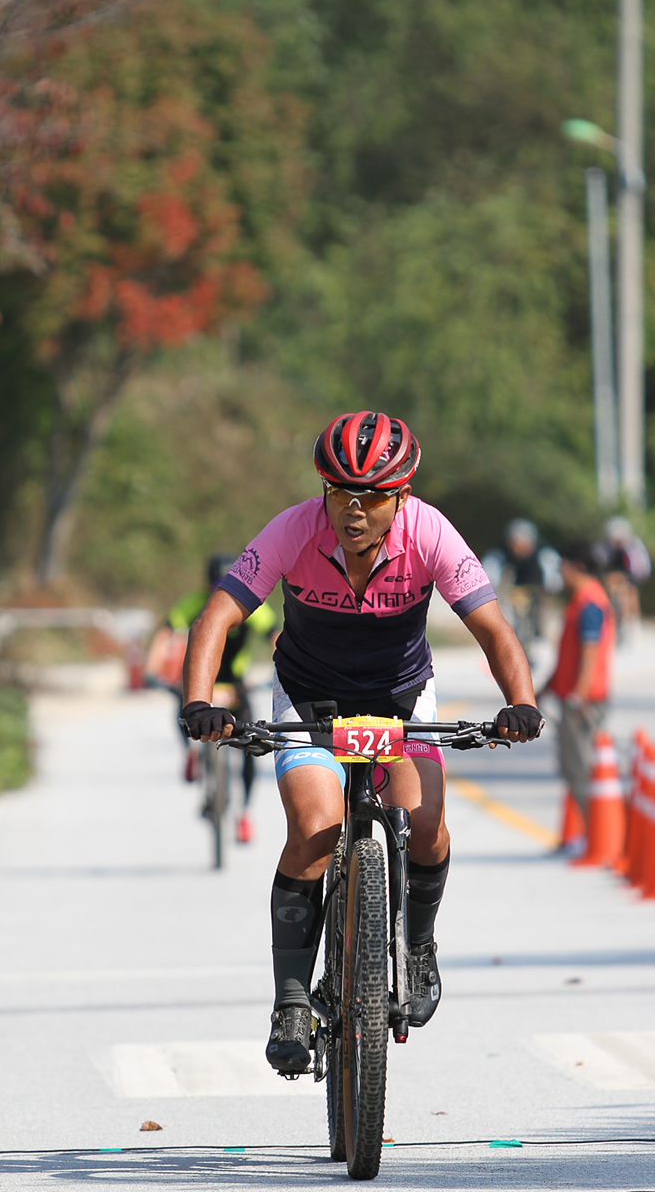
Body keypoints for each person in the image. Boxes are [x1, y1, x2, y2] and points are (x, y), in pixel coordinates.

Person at [178, 411, 543, 1076]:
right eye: (339, 492)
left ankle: (419, 946)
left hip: (399, 698)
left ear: (401, 496)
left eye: (372, 496)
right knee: (315, 829)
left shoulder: (430, 532)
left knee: (425, 824)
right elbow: (217, 616)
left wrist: (521, 703)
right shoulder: (293, 529)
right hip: (308, 697)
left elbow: (494, 629)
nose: (353, 509)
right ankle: (292, 1000)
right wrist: (199, 703)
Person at [146, 553, 277, 841]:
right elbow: (165, 634)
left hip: (235, 684)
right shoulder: (193, 603)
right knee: (183, 708)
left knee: (251, 745)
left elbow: (275, 635)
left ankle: (244, 813)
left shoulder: (250, 603)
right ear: (206, 584)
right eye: (215, 584)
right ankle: (191, 752)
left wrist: (283, 667)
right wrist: (151, 671)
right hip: (203, 683)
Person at [538, 541, 615, 826]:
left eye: (564, 566)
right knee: (572, 767)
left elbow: (590, 653)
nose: (560, 572)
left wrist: (578, 695)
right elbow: (568, 657)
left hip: (583, 702)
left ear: (577, 566)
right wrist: (544, 689)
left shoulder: (590, 603)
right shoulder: (581, 600)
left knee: (583, 769)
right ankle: (590, 833)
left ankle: (599, 834)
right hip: (572, 697)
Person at [481, 519, 562, 657]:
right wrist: (491, 585)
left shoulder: (542, 551)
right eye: (515, 544)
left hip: (535, 588)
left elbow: (553, 570)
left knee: (539, 612)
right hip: (515, 588)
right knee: (512, 615)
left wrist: (551, 585)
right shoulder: (501, 550)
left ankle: (538, 635)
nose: (519, 549)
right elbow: (491, 566)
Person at [594, 516, 650, 644]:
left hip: (630, 578)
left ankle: (631, 625)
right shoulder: (604, 546)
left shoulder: (634, 547)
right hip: (610, 579)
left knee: (630, 593)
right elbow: (598, 563)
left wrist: (628, 580)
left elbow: (641, 569)